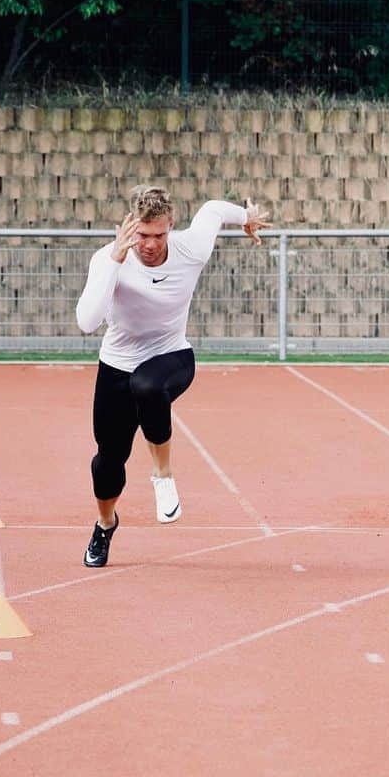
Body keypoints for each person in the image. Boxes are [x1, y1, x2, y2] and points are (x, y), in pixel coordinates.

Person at [75, 185, 272, 567]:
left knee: (147, 386)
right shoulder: (108, 259)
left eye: (159, 235)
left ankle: (163, 477)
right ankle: (104, 524)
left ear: (171, 228)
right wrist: (115, 261)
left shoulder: (190, 247)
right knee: (107, 464)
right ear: (131, 228)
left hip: (172, 356)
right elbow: (87, 322)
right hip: (116, 364)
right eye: (143, 235)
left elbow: (214, 209)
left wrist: (246, 218)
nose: (150, 244)